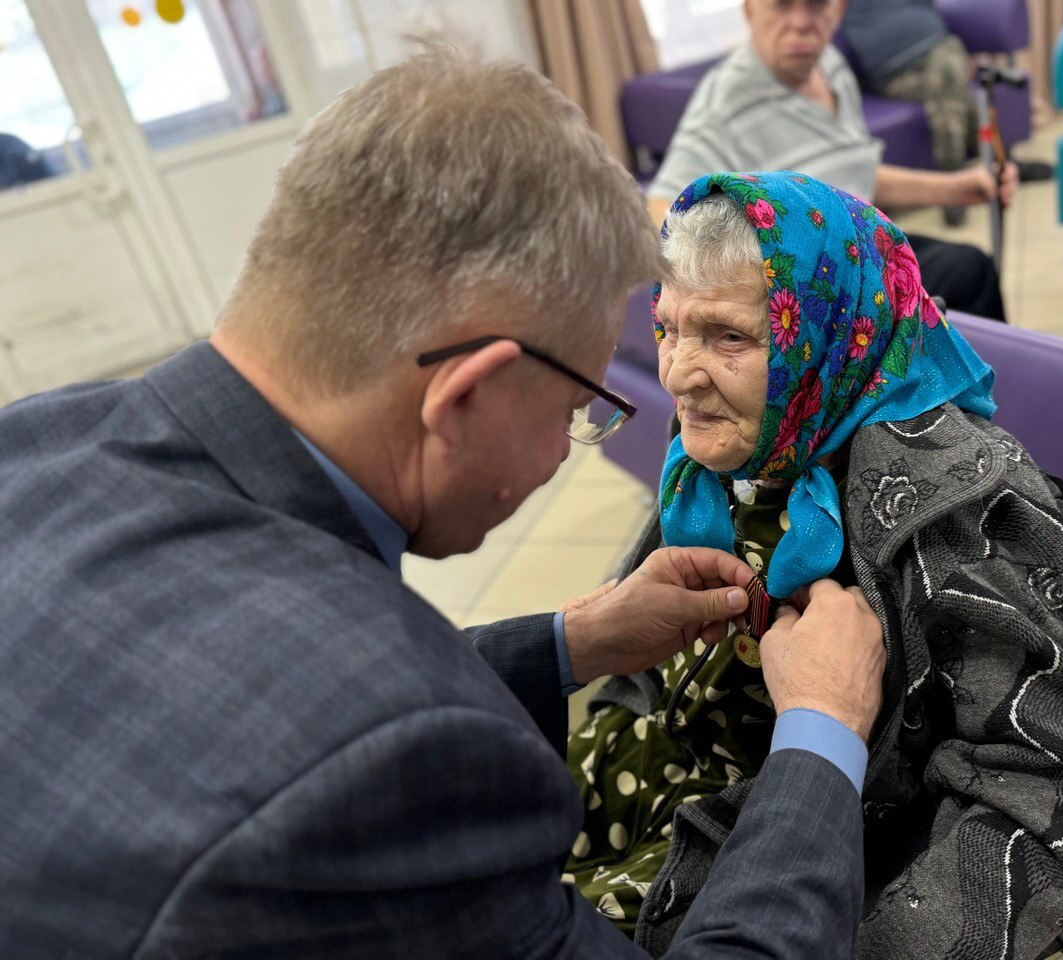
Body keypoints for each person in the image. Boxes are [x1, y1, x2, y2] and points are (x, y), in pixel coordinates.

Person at [0, 50, 888, 958]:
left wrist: (570, 643)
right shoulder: (396, 755)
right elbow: (347, 724)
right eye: (573, 410)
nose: (566, 447)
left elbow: (239, 699)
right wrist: (821, 736)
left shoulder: (31, 440)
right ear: (466, 397)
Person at [566, 171, 1063, 959]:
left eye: (727, 337)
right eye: (668, 327)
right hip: (659, 768)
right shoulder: (732, 442)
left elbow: (1043, 777)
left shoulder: (958, 502)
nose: (678, 374)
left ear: (825, 330)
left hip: (803, 829)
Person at [646, 0, 1017, 322]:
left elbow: (852, 174)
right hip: (812, 291)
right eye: (782, 4)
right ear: (750, 11)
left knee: (971, 272)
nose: (801, 22)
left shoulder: (831, 66)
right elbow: (661, 210)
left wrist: (959, 188)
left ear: (837, 11)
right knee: (969, 272)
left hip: (862, 250)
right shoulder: (726, 99)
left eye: (816, 4)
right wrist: (749, 287)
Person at [840, 0, 975, 226]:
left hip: (938, 51)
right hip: (895, 75)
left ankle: (956, 181)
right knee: (949, 82)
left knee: (946, 72)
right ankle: (970, 173)